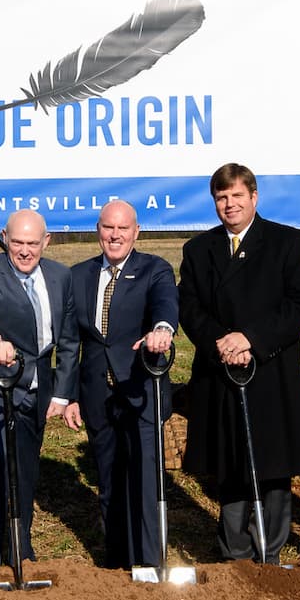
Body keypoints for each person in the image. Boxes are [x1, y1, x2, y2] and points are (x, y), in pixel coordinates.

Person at [178, 163, 300, 562]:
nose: (230, 204)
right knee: (230, 463)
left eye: (237, 195)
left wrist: (251, 339)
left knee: (274, 465)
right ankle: (235, 552)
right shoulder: (198, 250)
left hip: (270, 372)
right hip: (222, 371)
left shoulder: (286, 243)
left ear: (254, 197)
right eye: (222, 197)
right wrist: (220, 343)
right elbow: (190, 308)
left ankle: (269, 551)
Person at [0, 208, 79, 568]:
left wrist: (61, 393)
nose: (25, 251)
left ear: (46, 241)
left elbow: (69, 340)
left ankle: (20, 551)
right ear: (4, 238)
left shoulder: (60, 276)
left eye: (32, 243)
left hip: (38, 387)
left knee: (26, 468)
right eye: (17, 242)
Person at [71, 200, 179, 569]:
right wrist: (69, 395)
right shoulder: (79, 275)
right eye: (108, 227)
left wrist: (161, 330)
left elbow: (165, 305)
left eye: (123, 228)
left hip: (140, 390)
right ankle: (116, 564)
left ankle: (149, 564)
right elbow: (72, 341)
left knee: (145, 479)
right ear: (98, 231)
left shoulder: (154, 269)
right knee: (109, 479)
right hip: (97, 395)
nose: (115, 235)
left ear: (136, 232)